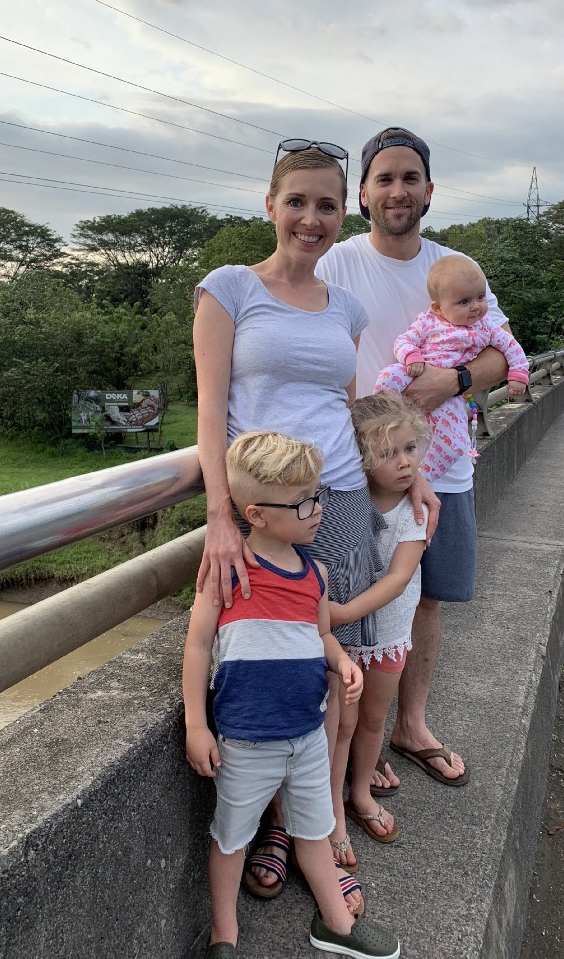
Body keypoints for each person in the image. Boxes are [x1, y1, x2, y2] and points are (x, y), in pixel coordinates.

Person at [192, 139, 438, 896]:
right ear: (269, 206)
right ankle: (275, 824)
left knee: (335, 677)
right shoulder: (230, 288)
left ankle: (321, 819)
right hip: (263, 511)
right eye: (295, 201)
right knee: (269, 667)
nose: (310, 217)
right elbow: (209, 411)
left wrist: (412, 473)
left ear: (342, 213)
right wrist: (222, 516)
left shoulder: (346, 307)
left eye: (326, 204)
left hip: (340, 500)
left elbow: (355, 411)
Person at [316, 126, 511, 793]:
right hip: (357, 471)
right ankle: (357, 743)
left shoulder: (453, 267)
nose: (397, 190)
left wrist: (454, 381)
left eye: (409, 178)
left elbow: (500, 350)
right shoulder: (335, 262)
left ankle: (411, 724)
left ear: (429, 191)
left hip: (443, 467)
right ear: (363, 195)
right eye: (384, 179)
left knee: (426, 599)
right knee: (356, 598)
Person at [183, 430, 400, 959]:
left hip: (307, 736)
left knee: (315, 831)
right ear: (255, 515)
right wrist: (196, 724)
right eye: (302, 502)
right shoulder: (226, 573)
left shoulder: (314, 574)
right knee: (231, 839)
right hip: (246, 740)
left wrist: (342, 662)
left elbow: (321, 633)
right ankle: (224, 933)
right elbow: (198, 644)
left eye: (317, 496)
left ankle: (336, 925)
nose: (317, 510)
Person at [330, 392, 430, 844]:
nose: (405, 462)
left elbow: (399, 578)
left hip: (387, 633)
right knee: (343, 725)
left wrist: (343, 612)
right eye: (388, 454)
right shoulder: (346, 504)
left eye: (410, 448)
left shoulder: (414, 511)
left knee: (372, 721)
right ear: (362, 459)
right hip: (346, 640)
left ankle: (360, 793)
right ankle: (334, 803)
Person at [374, 254, 529, 481]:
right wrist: (411, 356)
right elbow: (403, 341)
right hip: (416, 371)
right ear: (438, 308)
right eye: (464, 302)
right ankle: (383, 420)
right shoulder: (428, 321)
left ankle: (422, 476)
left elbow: (511, 347)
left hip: (451, 396)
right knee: (388, 376)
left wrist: (518, 374)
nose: (475, 307)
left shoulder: (486, 327)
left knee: (455, 444)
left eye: (480, 297)